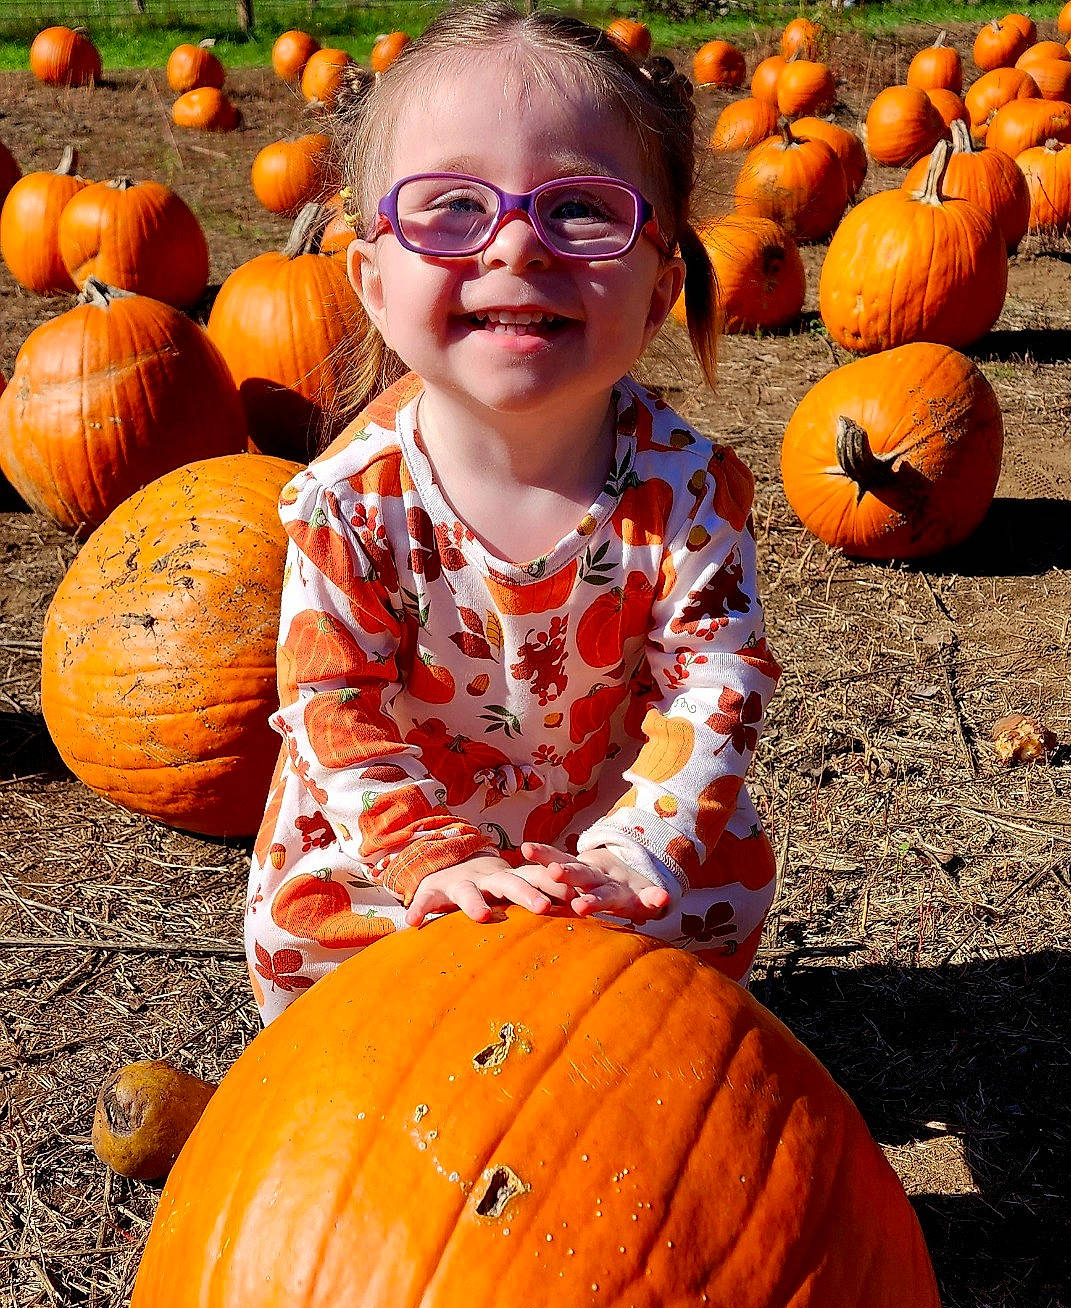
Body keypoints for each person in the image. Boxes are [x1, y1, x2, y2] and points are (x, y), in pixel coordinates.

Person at [245, 0, 780, 1024]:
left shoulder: (689, 490)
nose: (515, 244)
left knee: (719, 893)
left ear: (662, 285)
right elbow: (333, 708)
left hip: (605, 832)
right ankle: (362, 1073)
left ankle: (634, 1049)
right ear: (369, 278)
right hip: (397, 834)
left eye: (581, 208)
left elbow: (716, 681)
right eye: (450, 206)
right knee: (297, 929)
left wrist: (634, 855)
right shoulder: (348, 504)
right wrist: (432, 859)